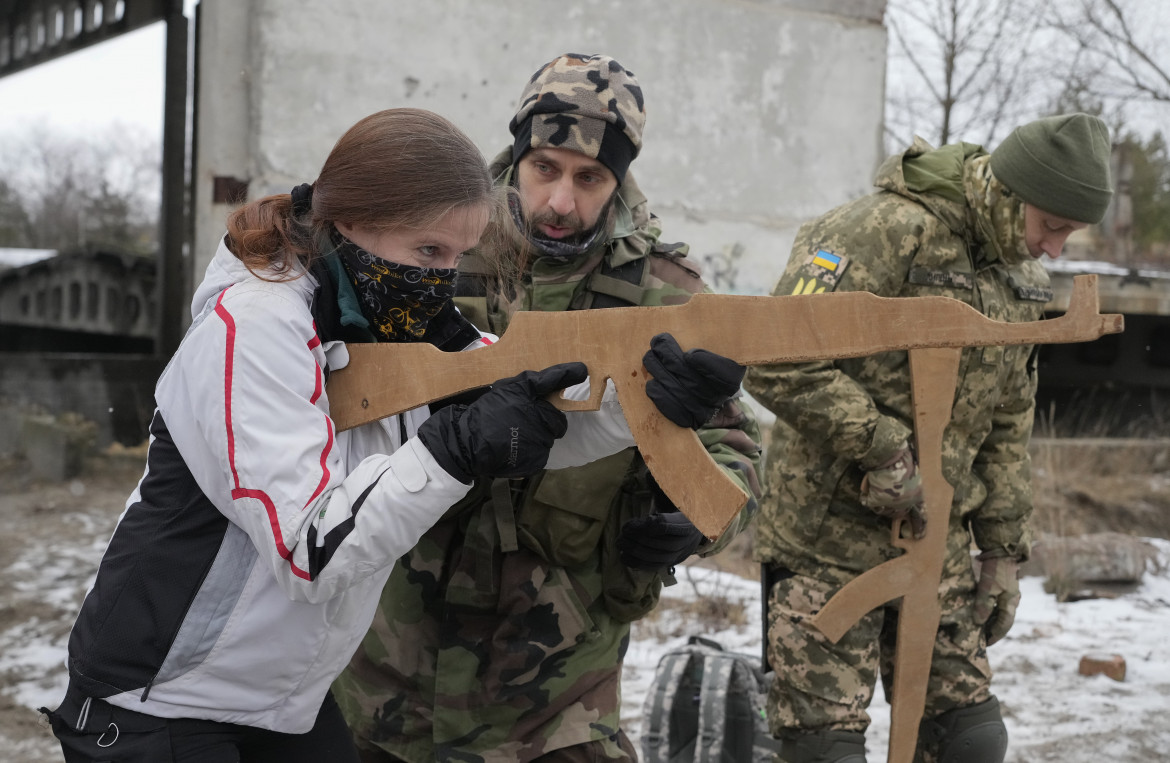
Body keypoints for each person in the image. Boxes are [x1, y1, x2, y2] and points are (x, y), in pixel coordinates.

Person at [40, 107, 742, 763]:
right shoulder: (253, 328)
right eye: (428, 249)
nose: (441, 280)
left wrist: (649, 402)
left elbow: (534, 419)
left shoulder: (394, 318)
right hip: (159, 704)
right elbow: (310, 552)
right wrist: (453, 449)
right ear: (349, 221)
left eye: (457, 256)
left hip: (282, 705)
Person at [333, 54, 764, 762]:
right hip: (387, 664)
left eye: (589, 177)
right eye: (545, 169)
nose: (561, 201)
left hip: (556, 687)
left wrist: (694, 514)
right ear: (518, 154)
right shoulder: (436, 243)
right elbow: (337, 388)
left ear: (619, 180)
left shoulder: (667, 295)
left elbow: (735, 453)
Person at [743, 113, 1114, 763]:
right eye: (1051, 225)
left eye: (1070, 232)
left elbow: (1007, 424)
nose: (1055, 248)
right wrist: (881, 443)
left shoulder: (1022, 279)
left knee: (970, 740)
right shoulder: (880, 229)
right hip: (824, 542)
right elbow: (774, 355)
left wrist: (1001, 553)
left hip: (935, 546)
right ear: (1010, 189)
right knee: (825, 749)